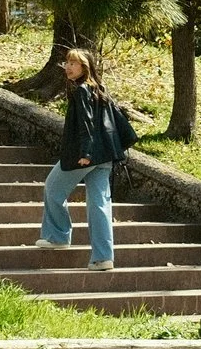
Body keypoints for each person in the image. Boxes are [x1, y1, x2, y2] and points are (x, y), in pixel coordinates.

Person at [40, 46, 134, 268]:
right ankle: (103, 257)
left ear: (85, 67)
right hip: (105, 157)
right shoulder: (100, 89)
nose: (68, 67)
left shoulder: (82, 90)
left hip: (87, 155)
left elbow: (86, 124)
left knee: (53, 187)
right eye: (67, 63)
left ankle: (58, 236)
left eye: (74, 63)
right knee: (99, 205)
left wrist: (85, 153)